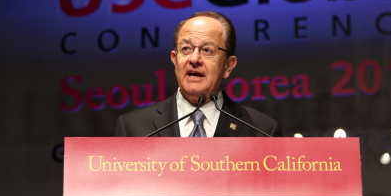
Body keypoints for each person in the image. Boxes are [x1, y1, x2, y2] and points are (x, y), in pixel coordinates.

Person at [115, 11, 282, 137]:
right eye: (186, 48)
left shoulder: (262, 130)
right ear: (174, 59)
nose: (194, 59)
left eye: (207, 50)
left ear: (228, 66)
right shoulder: (133, 128)